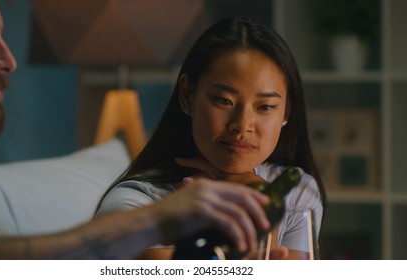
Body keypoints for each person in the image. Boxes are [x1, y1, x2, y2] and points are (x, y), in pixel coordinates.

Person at [0, 0, 274, 259]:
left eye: (266, 106)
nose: (8, 59)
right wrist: (156, 219)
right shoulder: (137, 201)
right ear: (188, 95)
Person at [95, 17, 326, 260]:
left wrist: (259, 198)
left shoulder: (297, 190)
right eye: (224, 101)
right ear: (187, 96)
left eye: (266, 106)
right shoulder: (131, 206)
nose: (242, 125)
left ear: (286, 113)